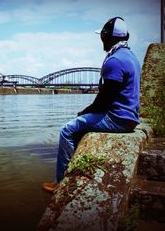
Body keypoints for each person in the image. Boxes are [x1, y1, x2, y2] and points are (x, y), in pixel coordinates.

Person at [43, 17, 141, 193]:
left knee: (67, 130)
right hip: (130, 117)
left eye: (102, 36)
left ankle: (61, 183)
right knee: (81, 127)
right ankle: (76, 168)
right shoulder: (131, 56)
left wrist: (84, 112)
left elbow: (105, 99)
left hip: (118, 119)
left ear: (106, 36)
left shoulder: (115, 60)